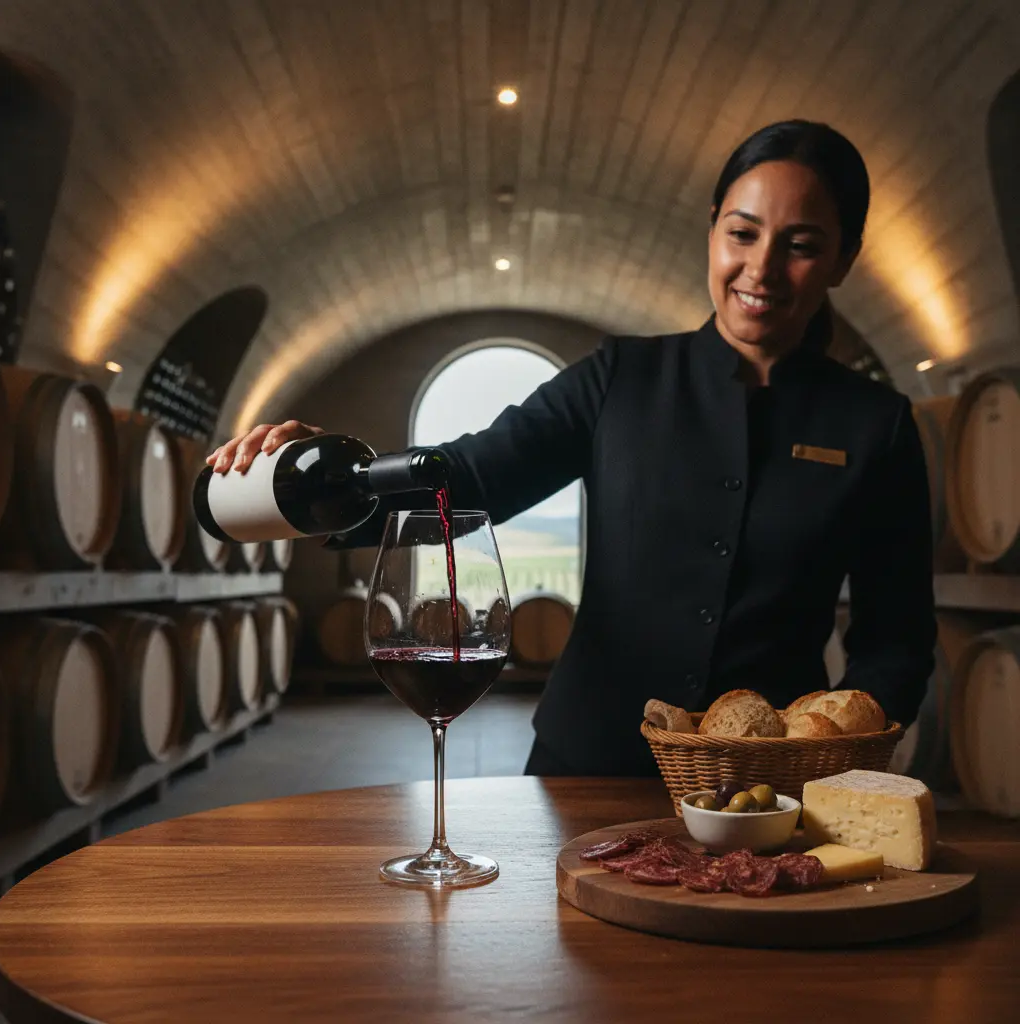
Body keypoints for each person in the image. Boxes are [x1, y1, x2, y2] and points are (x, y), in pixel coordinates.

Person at [208, 120, 937, 778]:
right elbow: (470, 476)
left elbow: (896, 635)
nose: (763, 268)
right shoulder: (622, 376)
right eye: (742, 233)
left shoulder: (877, 424)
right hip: (589, 761)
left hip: (771, 779)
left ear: (845, 259)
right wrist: (341, 473)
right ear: (712, 229)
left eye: (802, 245)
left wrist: (842, 759)